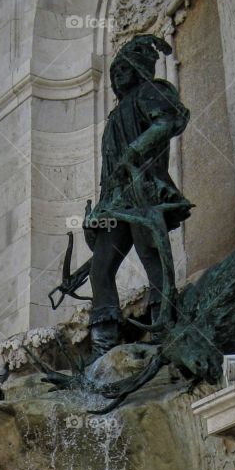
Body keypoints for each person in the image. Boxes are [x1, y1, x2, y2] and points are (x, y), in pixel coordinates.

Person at [87, 34, 191, 354]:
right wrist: (98, 213)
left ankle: (164, 323)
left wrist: (135, 151)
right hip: (116, 199)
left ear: (139, 70)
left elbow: (171, 120)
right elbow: (110, 170)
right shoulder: (116, 115)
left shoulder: (152, 92)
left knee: (150, 254)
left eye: (125, 69)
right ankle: (103, 338)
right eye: (115, 71)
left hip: (143, 187)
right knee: (100, 267)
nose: (118, 75)